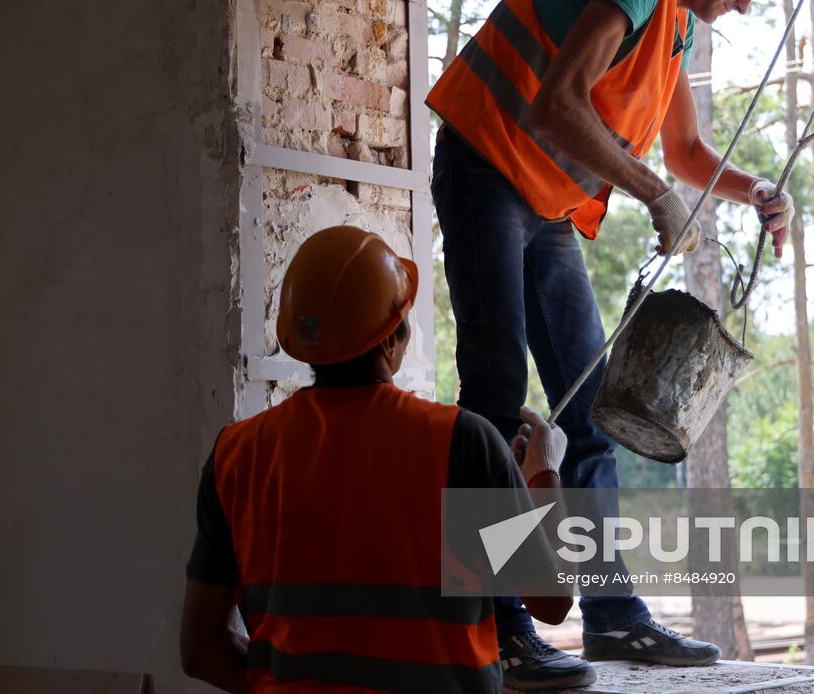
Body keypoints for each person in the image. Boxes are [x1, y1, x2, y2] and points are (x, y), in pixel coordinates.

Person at [425, 0, 803, 686]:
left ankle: (613, 616)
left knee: (589, 406)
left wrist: (755, 189)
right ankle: (492, 622)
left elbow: (687, 157)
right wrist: (656, 197)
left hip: (545, 205)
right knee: (492, 392)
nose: (745, 4)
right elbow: (557, 104)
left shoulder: (674, 31)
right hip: (488, 168)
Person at [181, 225, 589, 693]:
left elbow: (199, 650)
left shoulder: (237, 454)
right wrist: (544, 474)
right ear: (390, 338)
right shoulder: (460, 441)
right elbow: (552, 601)